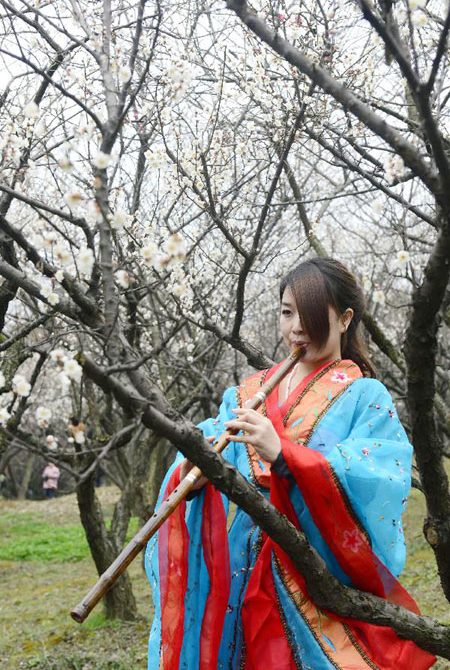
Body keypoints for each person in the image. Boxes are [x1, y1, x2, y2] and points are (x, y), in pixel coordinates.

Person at [145, 258, 435, 669]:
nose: (296, 326)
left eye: (311, 313)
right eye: (287, 312)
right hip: (239, 564)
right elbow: (204, 455)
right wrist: (192, 475)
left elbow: (375, 478)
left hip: (312, 568)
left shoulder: (365, 395)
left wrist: (285, 456)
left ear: (345, 319)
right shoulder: (246, 394)